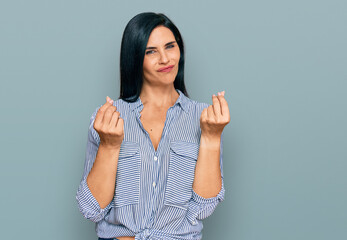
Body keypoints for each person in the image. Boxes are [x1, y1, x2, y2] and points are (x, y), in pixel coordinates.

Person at [76, 12, 230, 240]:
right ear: (135, 58)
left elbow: (203, 207)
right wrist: (109, 146)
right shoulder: (109, 119)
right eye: (151, 52)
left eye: (170, 46)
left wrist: (212, 137)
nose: (165, 59)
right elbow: (92, 208)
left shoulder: (204, 118)